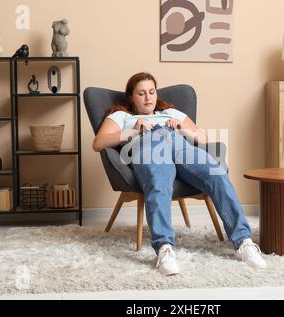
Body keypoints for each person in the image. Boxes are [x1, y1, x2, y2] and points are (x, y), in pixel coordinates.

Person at [93, 72, 266, 276]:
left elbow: (202, 137)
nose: (148, 97)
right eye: (141, 93)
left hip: (179, 145)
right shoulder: (123, 117)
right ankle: (165, 249)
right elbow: (99, 143)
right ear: (131, 97)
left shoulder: (171, 113)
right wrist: (133, 130)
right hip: (147, 146)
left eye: (151, 92)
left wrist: (183, 129)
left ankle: (244, 242)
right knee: (158, 182)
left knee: (217, 173)